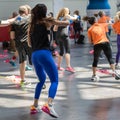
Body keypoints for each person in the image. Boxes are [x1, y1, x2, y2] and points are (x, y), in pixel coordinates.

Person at [28, 4, 70, 118]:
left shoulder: (31, 25)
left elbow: (29, 43)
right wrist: (65, 17)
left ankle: (34, 106)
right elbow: (66, 23)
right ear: (44, 12)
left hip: (35, 55)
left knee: (41, 80)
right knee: (55, 80)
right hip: (44, 53)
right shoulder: (47, 21)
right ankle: (49, 105)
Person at [84, 16, 120, 81]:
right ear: (95, 20)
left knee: (95, 60)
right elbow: (111, 23)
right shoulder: (101, 25)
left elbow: (90, 41)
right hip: (105, 43)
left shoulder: (90, 29)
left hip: (97, 45)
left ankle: (94, 75)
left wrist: (94, 40)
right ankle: (114, 72)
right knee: (110, 58)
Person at [10, 5, 32, 86]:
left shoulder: (15, 21)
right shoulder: (29, 18)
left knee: (22, 61)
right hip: (29, 42)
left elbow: (12, 36)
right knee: (34, 60)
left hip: (19, 43)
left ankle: (23, 80)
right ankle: (41, 80)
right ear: (26, 11)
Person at [54, 7, 78, 73]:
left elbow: (55, 29)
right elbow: (74, 18)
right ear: (66, 12)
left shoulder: (59, 18)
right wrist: (76, 16)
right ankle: (68, 66)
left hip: (58, 35)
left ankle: (58, 66)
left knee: (61, 51)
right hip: (64, 34)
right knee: (67, 51)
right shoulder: (66, 16)